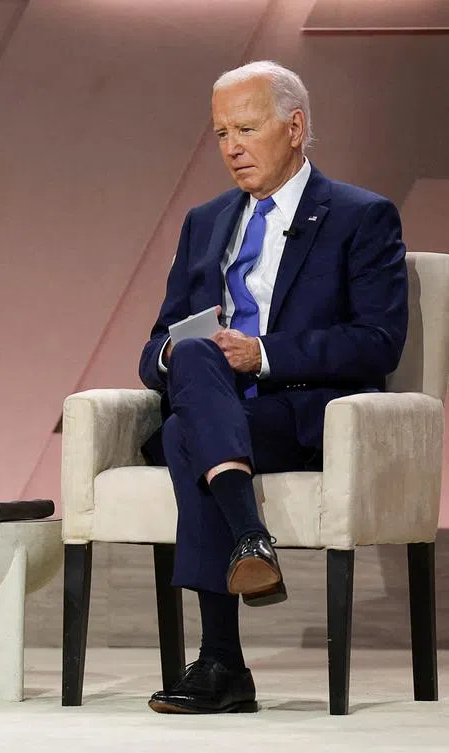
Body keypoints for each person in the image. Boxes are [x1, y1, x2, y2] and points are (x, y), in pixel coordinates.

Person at [137, 61, 407, 714]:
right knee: (192, 363)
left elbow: (378, 341)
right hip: (217, 405)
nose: (231, 147)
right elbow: (153, 350)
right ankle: (250, 540)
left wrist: (262, 353)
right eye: (221, 132)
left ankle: (223, 663)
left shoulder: (360, 217)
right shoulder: (205, 221)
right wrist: (177, 349)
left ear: (294, 126)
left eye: (246, 128)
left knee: (183, 431)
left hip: (299, 412)